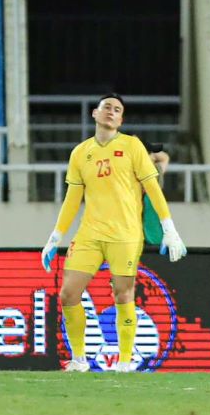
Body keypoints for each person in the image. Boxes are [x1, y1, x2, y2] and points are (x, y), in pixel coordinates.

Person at [40, 94, 187, 373]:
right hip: (89, 234)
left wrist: (170, 229)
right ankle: (80, 360)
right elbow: (73, 199)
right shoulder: (80, 153)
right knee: (68, 294)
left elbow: (153, 189)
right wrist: (55, 238)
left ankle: (124, 360)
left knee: (123, 294)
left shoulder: (132, 146)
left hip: (126, 234)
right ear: (94, 113)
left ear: (121, 120)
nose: (111, 111)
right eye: (106, 107)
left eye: (117, 110)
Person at [140, 140, 170, 246]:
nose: (154, 158)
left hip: (152, 236)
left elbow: (165, 157)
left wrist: (150, 150)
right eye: (151, 154)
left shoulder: (156, 171)